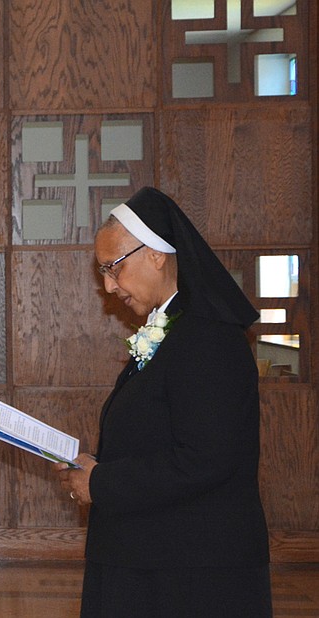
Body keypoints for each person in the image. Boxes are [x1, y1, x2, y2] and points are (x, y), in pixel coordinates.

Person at [56, 187, 272, 617]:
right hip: (156, 559)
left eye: (113, 268)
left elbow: (206, 458)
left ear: (155, 254)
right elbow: (159, 434)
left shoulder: (209, 337)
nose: (108, 286)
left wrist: (102, 483)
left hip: (192, 574)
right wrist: (97, 465)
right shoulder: (174, 329)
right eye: (102, 272)